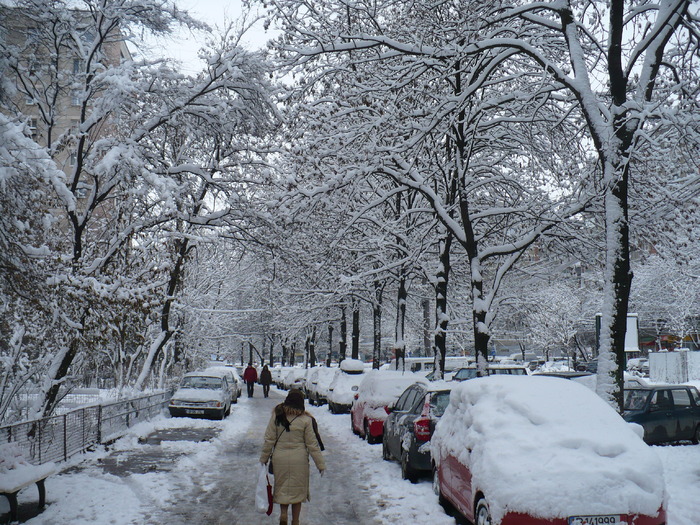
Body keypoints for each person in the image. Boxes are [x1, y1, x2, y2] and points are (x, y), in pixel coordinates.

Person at [260, 389, 325, 525]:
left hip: (280, 458)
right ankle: (295, 521)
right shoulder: (306, 420)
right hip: (299, 460)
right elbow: (312, 444)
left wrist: (264, 458)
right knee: (297, 494)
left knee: (283, 489)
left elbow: (269, 439)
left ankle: (283, 514)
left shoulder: (277, 417)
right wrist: (320, 464)